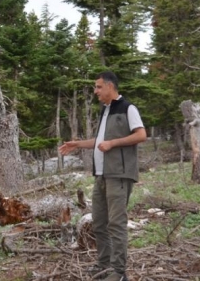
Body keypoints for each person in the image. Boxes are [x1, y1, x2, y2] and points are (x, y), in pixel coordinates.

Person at [58, 71, 146, 281]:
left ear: (109, 86)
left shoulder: (127, 108)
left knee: (116, 223)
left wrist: (113, 143)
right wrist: (77, 144)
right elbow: (100, 141)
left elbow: (141, 134)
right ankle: (104, 265)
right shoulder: (104, 111)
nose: (95, 91)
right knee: (99, 222)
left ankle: (119, 272)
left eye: (98, 87)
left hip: (119, 174)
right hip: (101, 175)